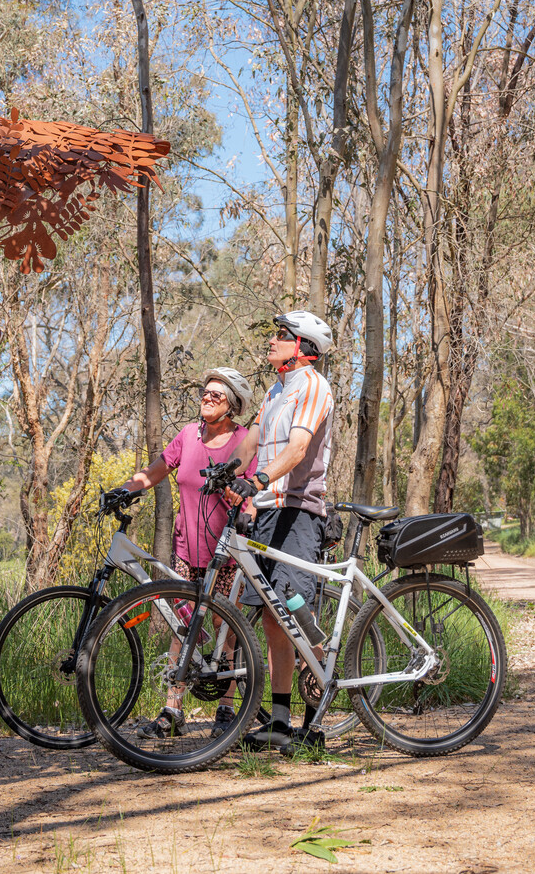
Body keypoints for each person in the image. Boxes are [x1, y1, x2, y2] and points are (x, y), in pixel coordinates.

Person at [114, 367, 256, 738]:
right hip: (186, 550)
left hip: (225, 552)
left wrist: (247, 509)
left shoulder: (243, 442)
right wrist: (124, 490)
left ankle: (226, 709)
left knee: (225, 629)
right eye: (204, 393)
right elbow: (155, 471)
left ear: (233, 406)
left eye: (216, 395)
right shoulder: (188, 436)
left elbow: (251, 493)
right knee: (182, 628)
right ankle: (172, 710)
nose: (207, 399)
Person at [230, 310, 336, 752]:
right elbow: (252, 439)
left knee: (291, 608)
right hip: (269, 508)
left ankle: (322, 678)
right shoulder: (276, 388)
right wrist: (226, 471)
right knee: (273, 618)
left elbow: (297, 448)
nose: (272, 341)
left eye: (281, 335)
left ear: (303, 347)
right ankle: (278, 720)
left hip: (299, 509)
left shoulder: (313, 386)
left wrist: (258, 479)